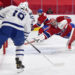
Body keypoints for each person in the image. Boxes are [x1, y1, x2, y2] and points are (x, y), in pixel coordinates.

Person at [0, 2, 32, 72]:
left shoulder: (11, 7)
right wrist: (24, 38)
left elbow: (1, 14)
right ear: (26, 8)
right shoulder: (26, 15)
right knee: (20, 45)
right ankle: (19, 64)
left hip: (6, 26)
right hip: (19, 30)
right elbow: (27, 30)